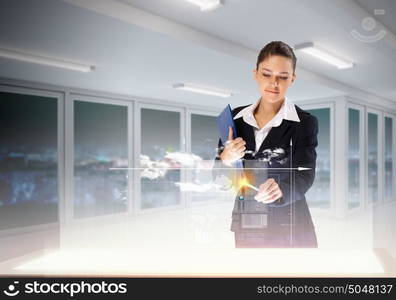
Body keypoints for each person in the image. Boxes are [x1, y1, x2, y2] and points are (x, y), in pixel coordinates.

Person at [216, 41, 318, 248]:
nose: (274, 83)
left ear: (292, 79)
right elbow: (219, 179)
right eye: (267, 74)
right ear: (255, 73)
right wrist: (224, 159)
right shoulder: (234, 119)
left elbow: (306, 175)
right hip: (248, 221)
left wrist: (282, 190)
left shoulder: (305, 122)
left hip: (290, 223)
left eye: (283, 77)